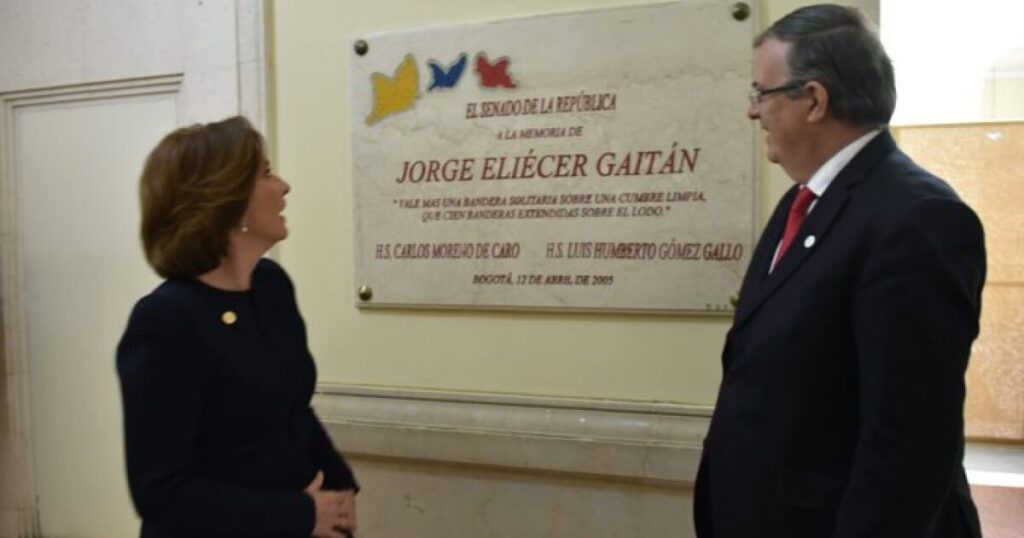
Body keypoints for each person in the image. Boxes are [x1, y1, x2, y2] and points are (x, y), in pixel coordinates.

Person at [694, 5, 985, 538]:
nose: (752, 112)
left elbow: (910, 439)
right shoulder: (800, 204)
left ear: (815, 100)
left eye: (762, 93)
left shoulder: (918, 217)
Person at [117, 116, 358, 538]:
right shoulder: (166, 320)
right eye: (265, 173)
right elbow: (161, 491)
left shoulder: (271, 287)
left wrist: (340, 487)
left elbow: (291, 407)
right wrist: (301, 515)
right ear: (225, 199)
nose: (283, 186)